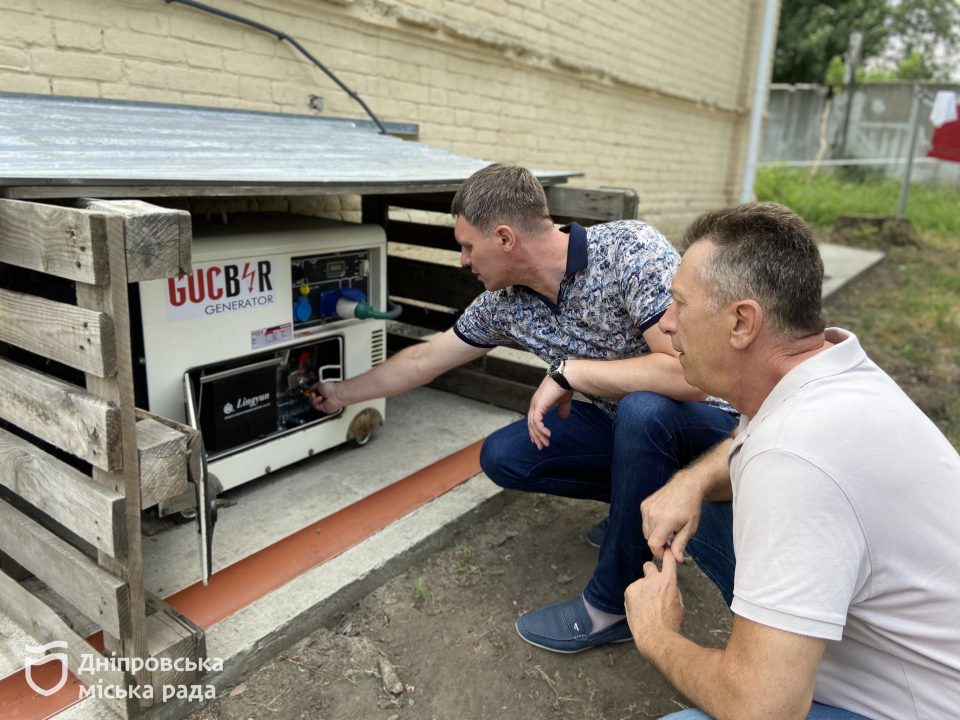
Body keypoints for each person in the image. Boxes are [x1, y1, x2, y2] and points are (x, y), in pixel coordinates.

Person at [310, 163, 738, 652]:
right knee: (505, 454)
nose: (463, 260)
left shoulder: (628, 251)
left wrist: (572, 372)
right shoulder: (504, 303)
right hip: (624, 425)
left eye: (468, 246)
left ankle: (610, 607)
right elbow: (427, 358)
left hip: (710, 428)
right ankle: (634, 507)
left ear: (506, 239)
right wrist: (342, 394)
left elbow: (689, 376)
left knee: (644, 408)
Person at [625, 202, 960, 719]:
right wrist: (690, 481)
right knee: (714, 509)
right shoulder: (824, 373)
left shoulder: (796, 459)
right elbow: (760, 446)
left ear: (742, 323)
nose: (667, 323)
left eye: (679, 302)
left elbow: (761, 710)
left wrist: (656, 635)